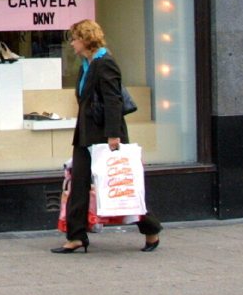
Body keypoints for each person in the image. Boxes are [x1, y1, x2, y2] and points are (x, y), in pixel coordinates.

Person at [52, 18, 163, 254]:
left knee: (121, 184)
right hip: (85, 133)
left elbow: (113, 100)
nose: (72, 44)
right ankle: (76, 236)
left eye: (75, 38)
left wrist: (114, 136)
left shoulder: (105, 63)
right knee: (79, 183)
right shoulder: (87, 64)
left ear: (86, 39)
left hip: (106, 135)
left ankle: (151, 229)